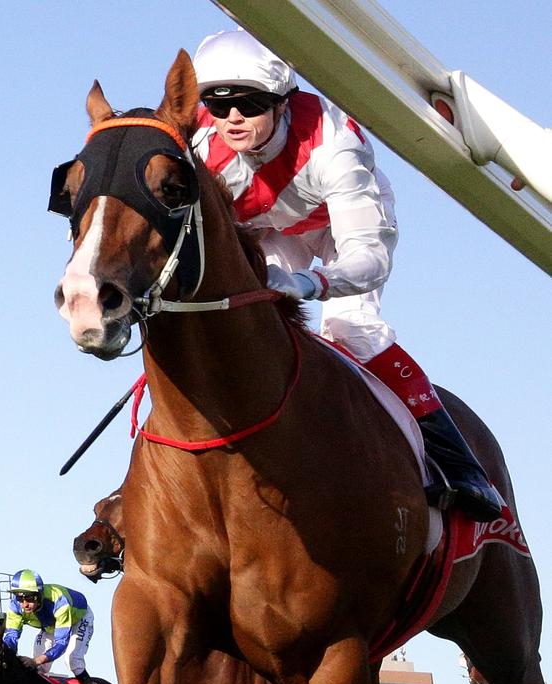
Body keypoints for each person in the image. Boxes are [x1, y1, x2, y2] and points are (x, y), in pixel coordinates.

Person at [192, 30, 502, 522]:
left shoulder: (334, 144)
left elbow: (370, 258)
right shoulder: (202, 145)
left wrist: (313, 283)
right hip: (268, 231)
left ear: (280, 102)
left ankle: (462, 467)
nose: (231, 117)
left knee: (349, 330)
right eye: (216, 103)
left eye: (249, 104)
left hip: (342, 229)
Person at [3, 569, 110, 684]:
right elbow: (11, 638)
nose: (24, 603)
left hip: (77, 620)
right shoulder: (15, 607)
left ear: (39, 594)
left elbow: (61, 643)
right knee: (39, 670)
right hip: (50, 625)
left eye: (30, 597)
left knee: (72, 660)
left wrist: (36, 660)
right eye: (20, 597)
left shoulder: (58, 601)